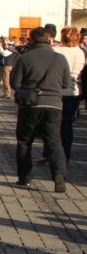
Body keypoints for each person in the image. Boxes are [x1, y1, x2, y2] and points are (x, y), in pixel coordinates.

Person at [10, 27, 72, 193]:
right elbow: (66, 84)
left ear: (31, 40)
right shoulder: (60, 58)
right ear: (48, 39)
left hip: (30, 105)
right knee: (54, 142)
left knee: (24, 141)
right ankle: (59, 176)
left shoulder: (25, 58)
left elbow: (15, 84)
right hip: (54, 105)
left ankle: (25, 177)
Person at [54, 27, 84, 165]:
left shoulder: (58, 51)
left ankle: (53, 153)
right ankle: (65, 155)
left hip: (57, 90)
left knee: (54, 124)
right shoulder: (81, 52)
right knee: (67, 125)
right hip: (74, 91)